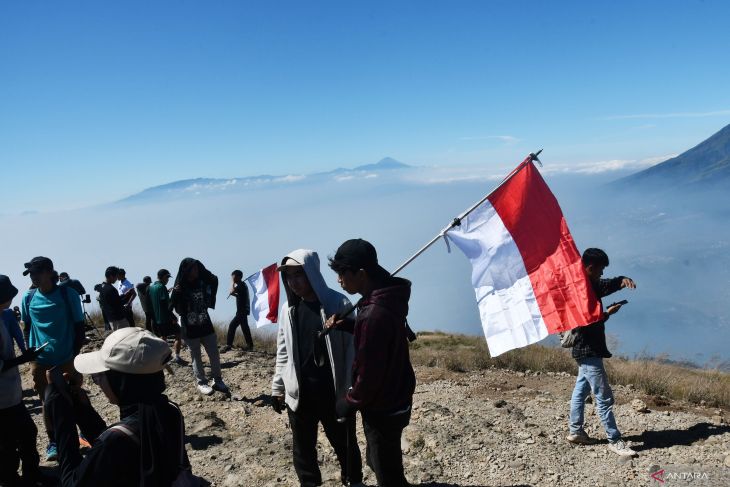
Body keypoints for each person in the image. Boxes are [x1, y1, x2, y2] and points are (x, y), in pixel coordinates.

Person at [45, 327, 196, 486]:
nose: (98, 383)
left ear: (120, 382)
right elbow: (122, 446)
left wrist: (62, 417)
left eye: (99, 376)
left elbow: (72, 482)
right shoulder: (169, 411)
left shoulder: (113, 442)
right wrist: (83, 411)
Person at [326, 239, 416, 487]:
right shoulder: (387, 299)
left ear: (361, 274)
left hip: (383, 406)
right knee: (383, 462)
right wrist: (350, 325)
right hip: (397, 395)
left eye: (343, 273)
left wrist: (349, 402)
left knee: (386, 472)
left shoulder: (374, 313)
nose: (339, 280)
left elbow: (369, 374)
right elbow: (379, 339)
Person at [271, 250, 364, 487]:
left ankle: (353, 481)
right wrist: (278, 387)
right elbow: (283, 350)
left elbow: (353, 351)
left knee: (344, 443)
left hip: (333, 393)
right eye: (289, 277)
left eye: (298, 275)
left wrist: (351, 388)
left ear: (312, 272)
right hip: (300, 394)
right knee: (303, 449)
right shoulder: (288, 310)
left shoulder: (337, 303)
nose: (293, 282)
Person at [566, 248, 637, 457]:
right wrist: (608, 313)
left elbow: (604, 285)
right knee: (603, 396)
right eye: (601, 269)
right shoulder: (580, 290)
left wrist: (622, 280)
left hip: (586, 350)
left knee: (581, 391)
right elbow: (588, 321)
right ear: (590, 267)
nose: (602, 273)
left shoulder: (587, 283)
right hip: (588, 349)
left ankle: (576, 431)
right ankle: (615, 440)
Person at [19, 256, 86, 463]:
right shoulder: (28, 297)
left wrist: (74, 356)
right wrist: (30, 353)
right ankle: (54, 441)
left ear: (50, 272)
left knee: (74, 396)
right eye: (31, 274)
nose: (34, 277)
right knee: (47, 402)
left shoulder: (68, 294)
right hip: (40, 361)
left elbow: (79, 327)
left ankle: (85, 433)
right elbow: (27, 327)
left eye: (37, 272)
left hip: (67, 357)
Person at [0, 274, 43, 486]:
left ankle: (30, 475)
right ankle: (12, 479)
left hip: (11, 396)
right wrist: (22, 359)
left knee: (26, 433)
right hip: (3, 399)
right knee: (9, 442)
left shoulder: (1, 316)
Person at [170, 258, 229, 396]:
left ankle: (217, 380)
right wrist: (176, 296)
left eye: (198, 268)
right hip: (190, 328)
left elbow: (214, 280)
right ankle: (201, 382)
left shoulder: (202, 283)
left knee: (214, 353)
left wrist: (202, 269)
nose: (197, 271)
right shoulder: (179, 287)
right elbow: (170, 306)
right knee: (196, 356)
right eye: (194, 268)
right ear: (187, 270)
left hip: (206, 325)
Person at [148, 269, 184, 365]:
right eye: (167, 277)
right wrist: (173, 317)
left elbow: (157, 299)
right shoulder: (162, 287)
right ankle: (177, 357)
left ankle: (160, 357)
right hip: (166, 318)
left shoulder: (152, 287)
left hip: (157, 318)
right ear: (163, 277)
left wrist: (169, 290)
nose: (168, 280)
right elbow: (166, 305)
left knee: (163, 337)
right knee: (178, 334)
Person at [222, 270, 252, 352]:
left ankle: (228, 345)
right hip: (243, 310)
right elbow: (239, 296)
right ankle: (250, 346)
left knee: (232, 325)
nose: (232, 278)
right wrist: (234, 294)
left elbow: (232, 290)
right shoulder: (242, 285)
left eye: (233, 276)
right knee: (245, 328)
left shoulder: (241, 285)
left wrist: (232, 282)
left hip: (242, 311)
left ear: (238, 277)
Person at [98, 267, 127, 331]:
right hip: (118, 319)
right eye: (116, 276)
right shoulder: (110, 289)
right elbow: (118, 304)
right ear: (111, 276)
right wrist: (127, 296)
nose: (117, 279)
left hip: (111, 319)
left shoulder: (102, 287)